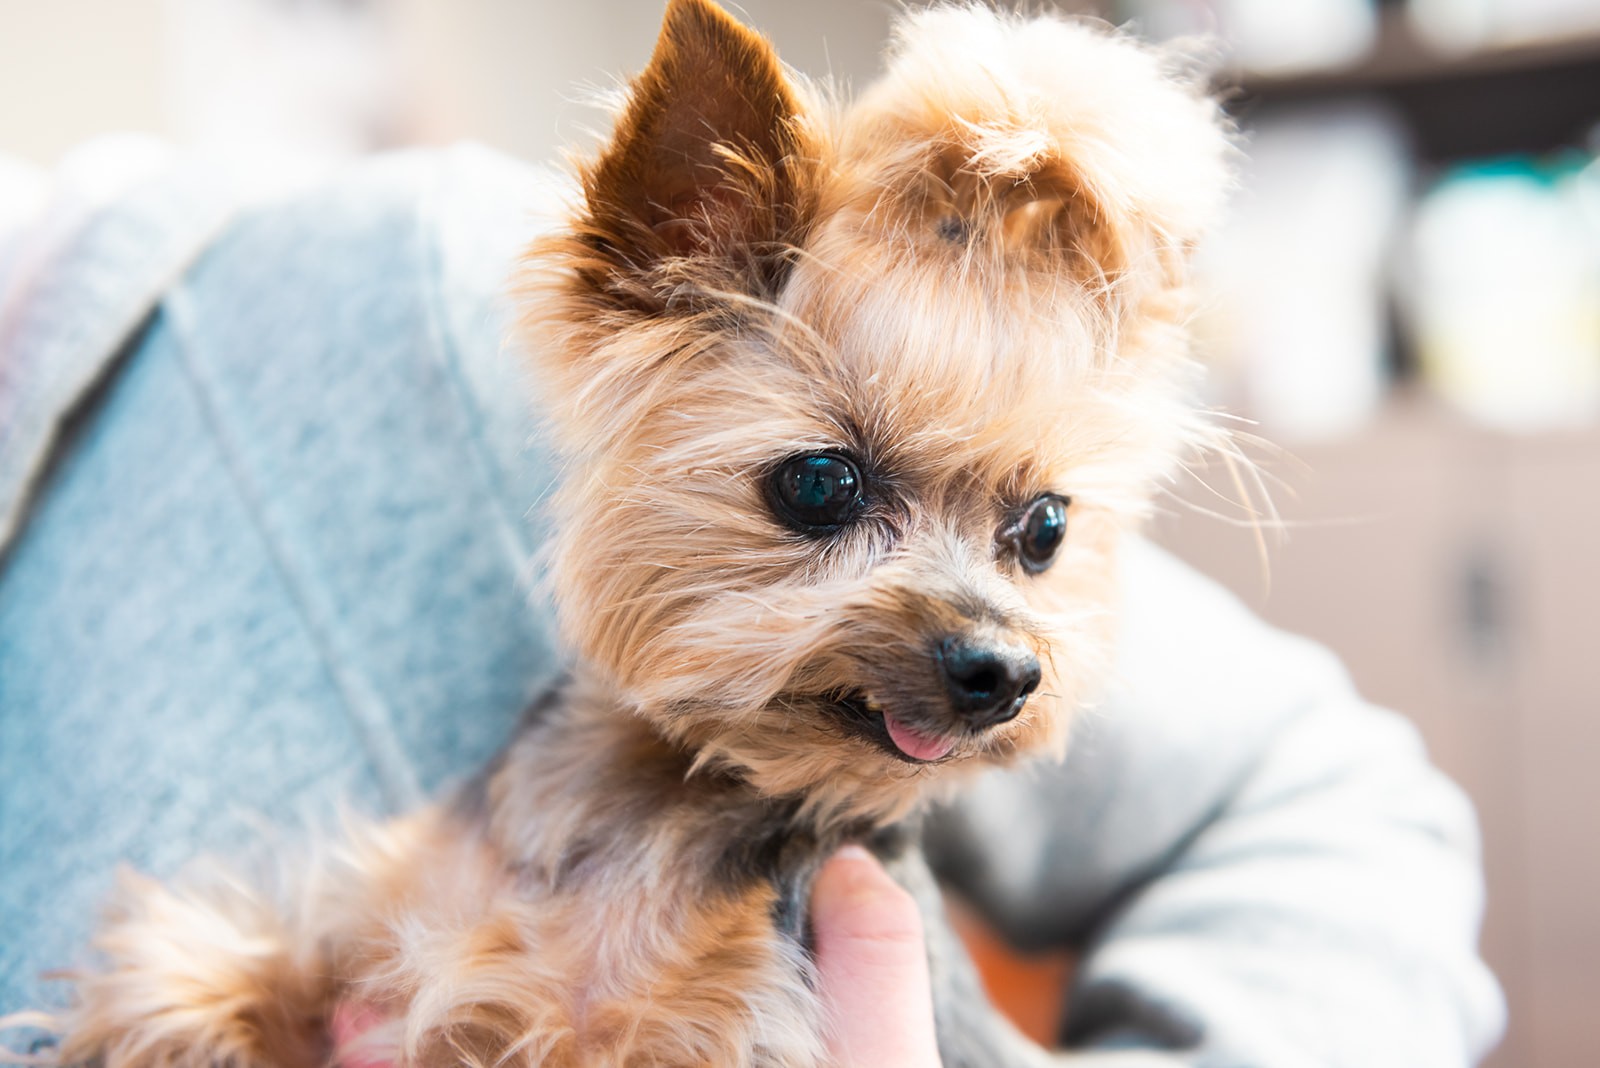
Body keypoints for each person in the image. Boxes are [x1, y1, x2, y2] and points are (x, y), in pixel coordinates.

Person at [0, 142, 1504, 1066]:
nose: (986, 637)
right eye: (824, 496)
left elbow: (1333, 801)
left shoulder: (405, 299)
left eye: (1036, 530)